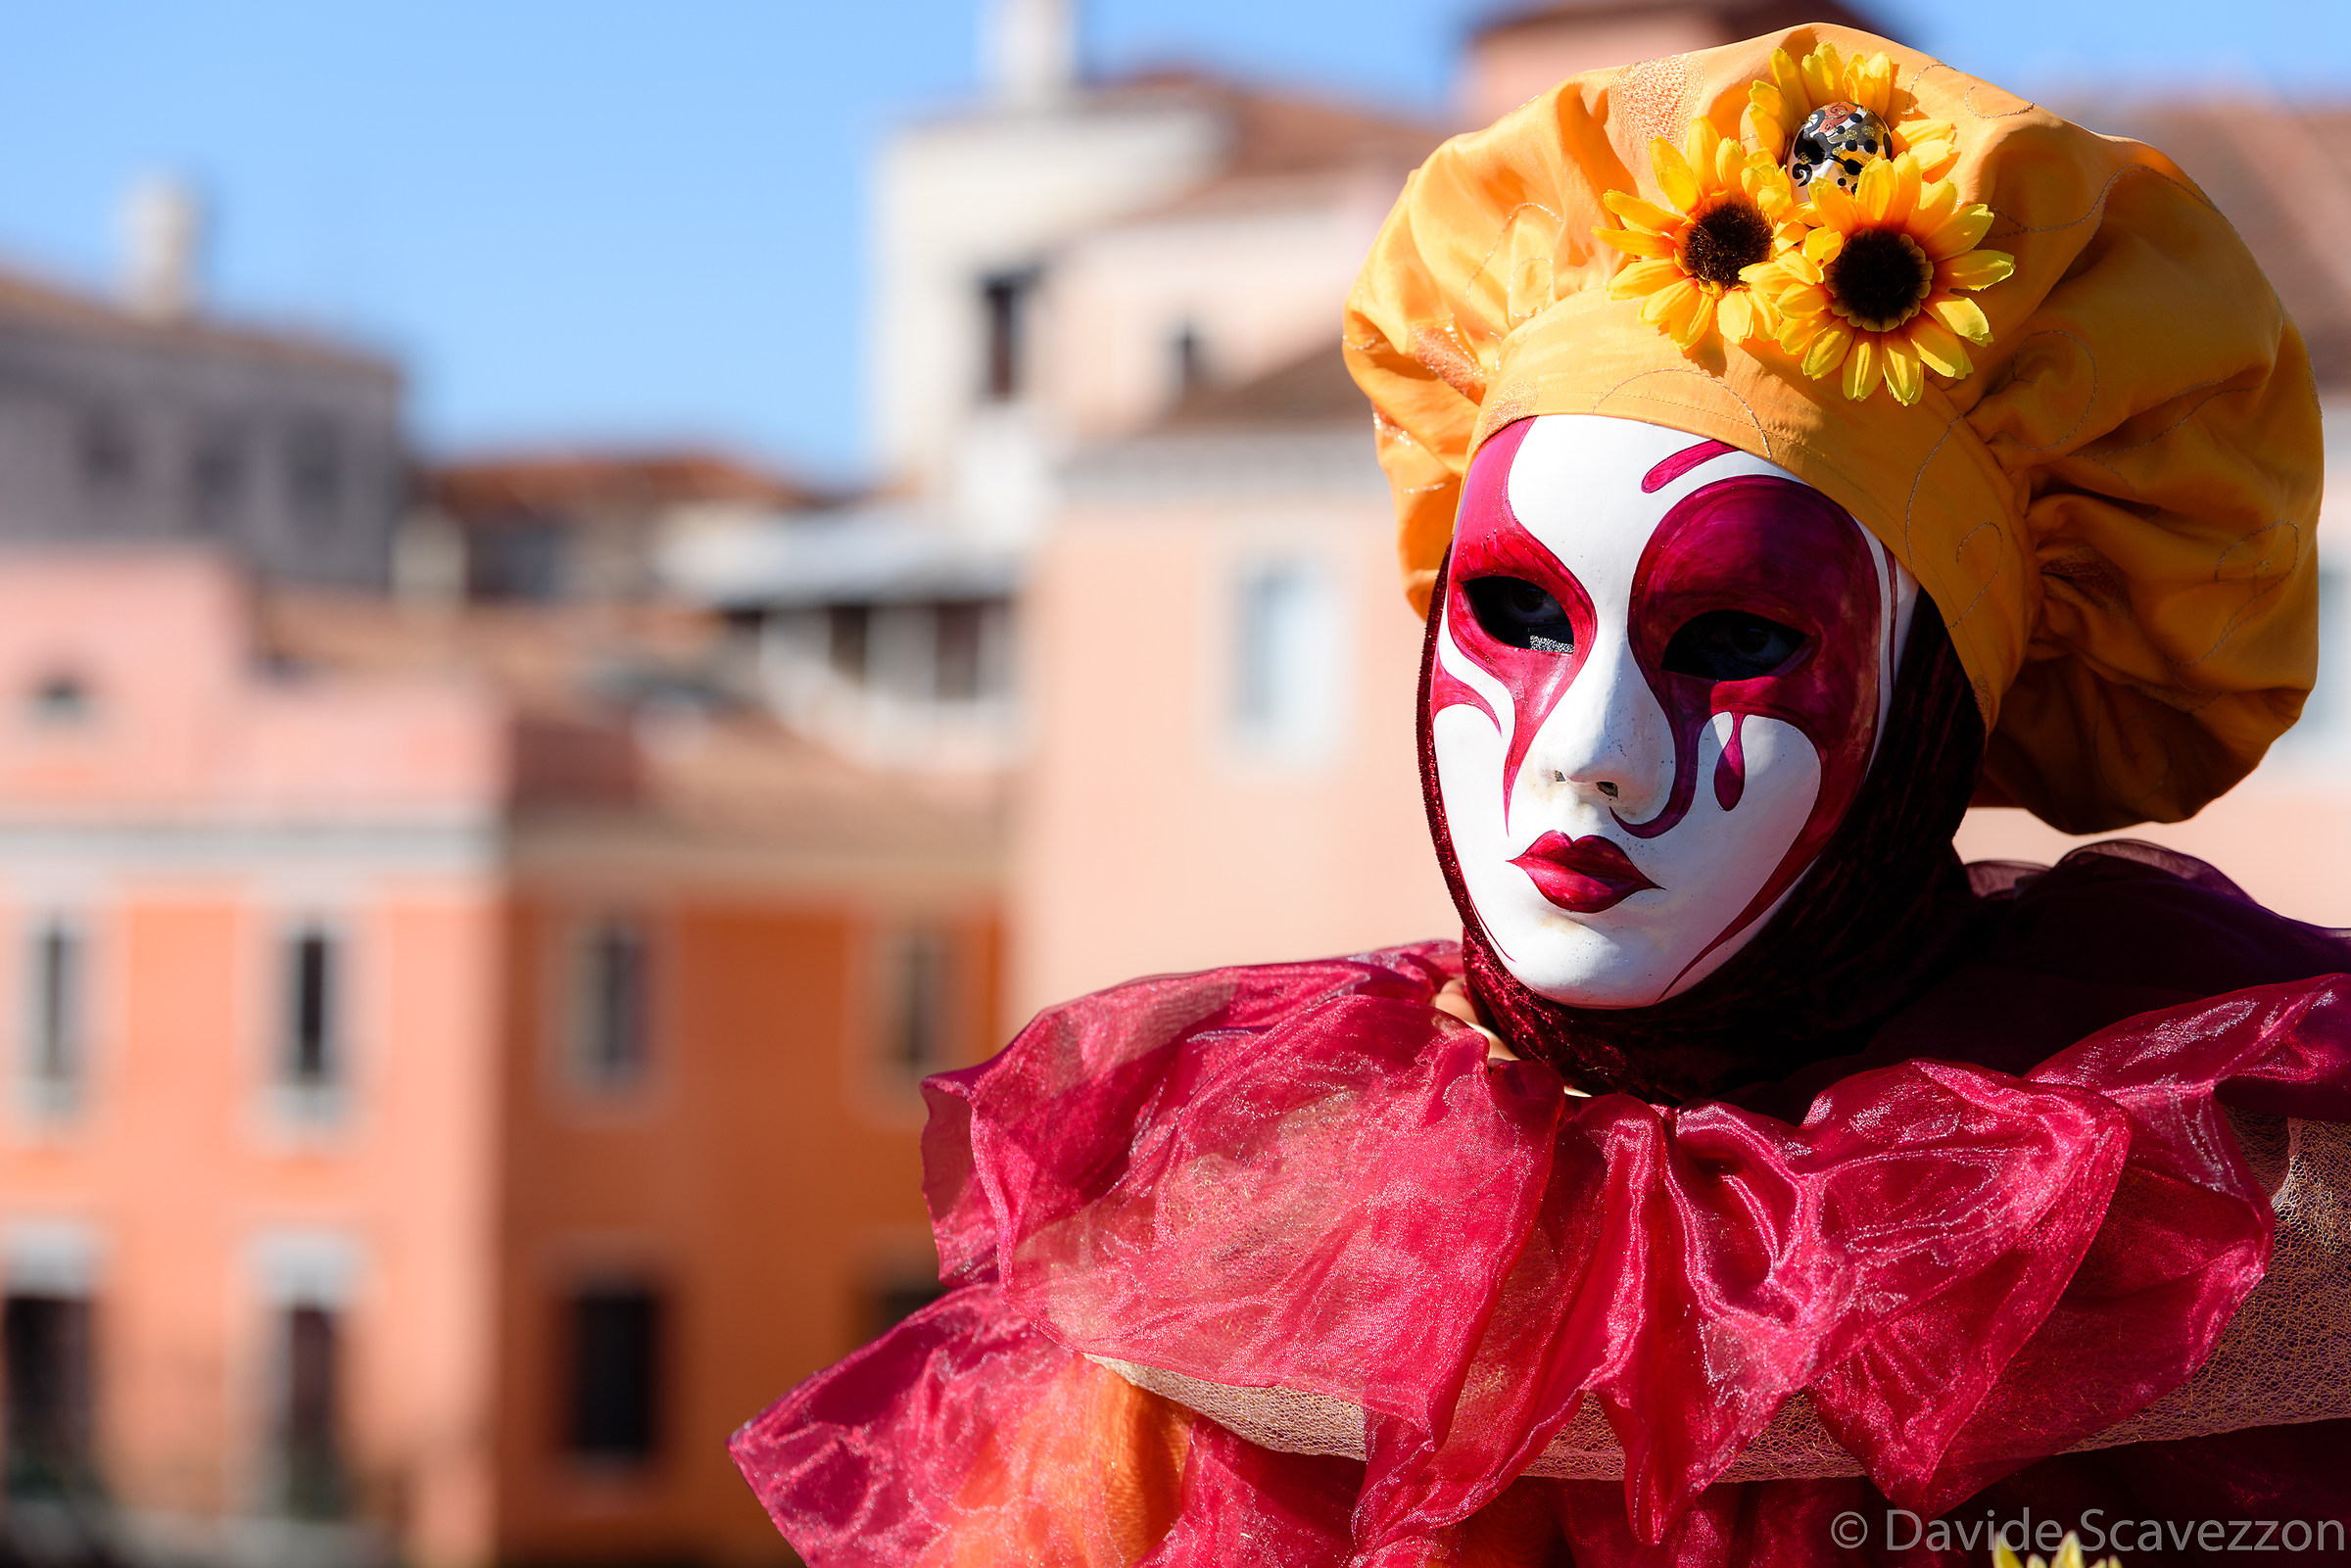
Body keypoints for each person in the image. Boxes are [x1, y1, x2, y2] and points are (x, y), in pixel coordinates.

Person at [734, 25, 2351, 1566]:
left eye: (1730, 637)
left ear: (1932, 707)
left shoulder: (2179, 1219)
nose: (1587, 746)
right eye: (1513, 614)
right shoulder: (1240, 1230)